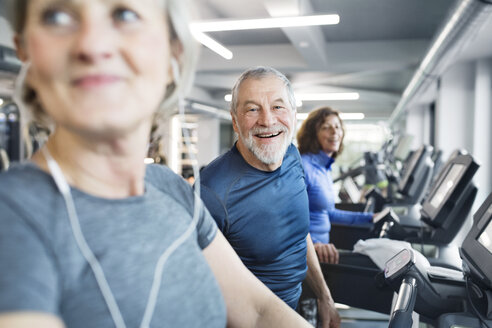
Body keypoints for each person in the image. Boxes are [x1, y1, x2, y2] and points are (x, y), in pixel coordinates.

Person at [0, 1, 312, 327]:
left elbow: (258, 312)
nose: (92, 45)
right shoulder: (13, 217)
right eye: (57, 16)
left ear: (172, 55)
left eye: (125, 14)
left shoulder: (169, 187)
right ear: (25, 50)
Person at [200, 67, 341, 328]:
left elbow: (299, 235)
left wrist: (324, 296)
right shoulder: (212, 192)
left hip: (296, 309)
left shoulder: (292, 156)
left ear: (294, 115)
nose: (267, 120)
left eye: (278, 107)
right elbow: (198, 290)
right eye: (252, 109)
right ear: (234, 121)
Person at [296, 107, 374, 264]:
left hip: (321, 252)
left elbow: (328, 212)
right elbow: (287, 218)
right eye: (326, 127)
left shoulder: (324, 168)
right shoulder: (304, 167)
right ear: (312, 134)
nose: (334, 132)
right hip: (309, 254)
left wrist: (370, 218)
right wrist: (313, 245)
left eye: (337, 127)